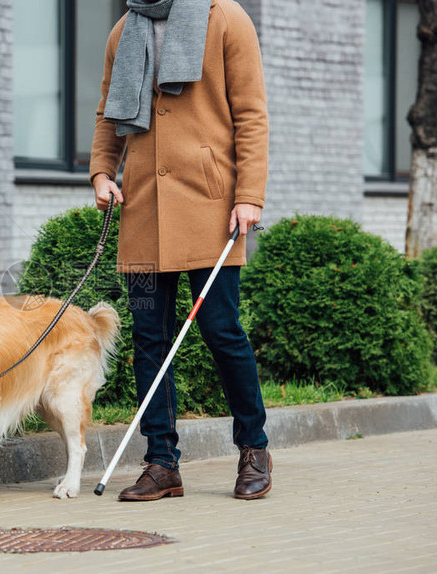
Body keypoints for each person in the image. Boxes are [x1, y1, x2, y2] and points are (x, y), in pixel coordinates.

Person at [89, 0, 271, 501]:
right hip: (144, 211)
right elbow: (109, 110)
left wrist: (249, 195)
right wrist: (103, 171)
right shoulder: (125, 28)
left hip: (211, 209)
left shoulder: (226, 18)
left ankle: (254, 447)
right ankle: (161, 462)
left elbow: (252, 115)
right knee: (150, 337)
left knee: (221, 330)